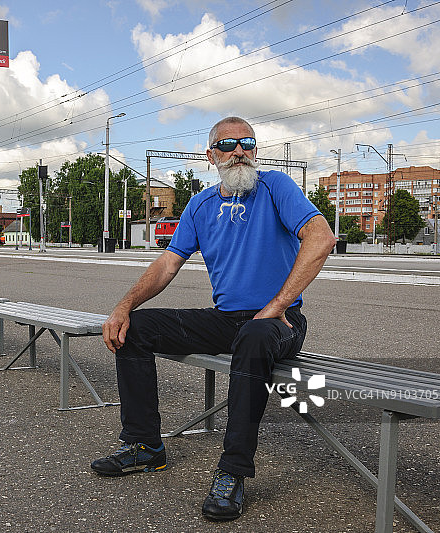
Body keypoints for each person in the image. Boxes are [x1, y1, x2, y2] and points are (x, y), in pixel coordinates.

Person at [91, 116, 336, 521]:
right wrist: (123, 307)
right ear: (211, 156)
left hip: (280, 322)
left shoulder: (276, 187)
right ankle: (144, 446)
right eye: (228, 145)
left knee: (255, 335)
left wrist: (276, 307)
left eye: (248, 143)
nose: (239, 151)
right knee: (137, 329)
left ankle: (232, 471)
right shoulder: (201, 204)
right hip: (228, 320)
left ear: (255, 151)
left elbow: (321, 238)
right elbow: (167, 265)